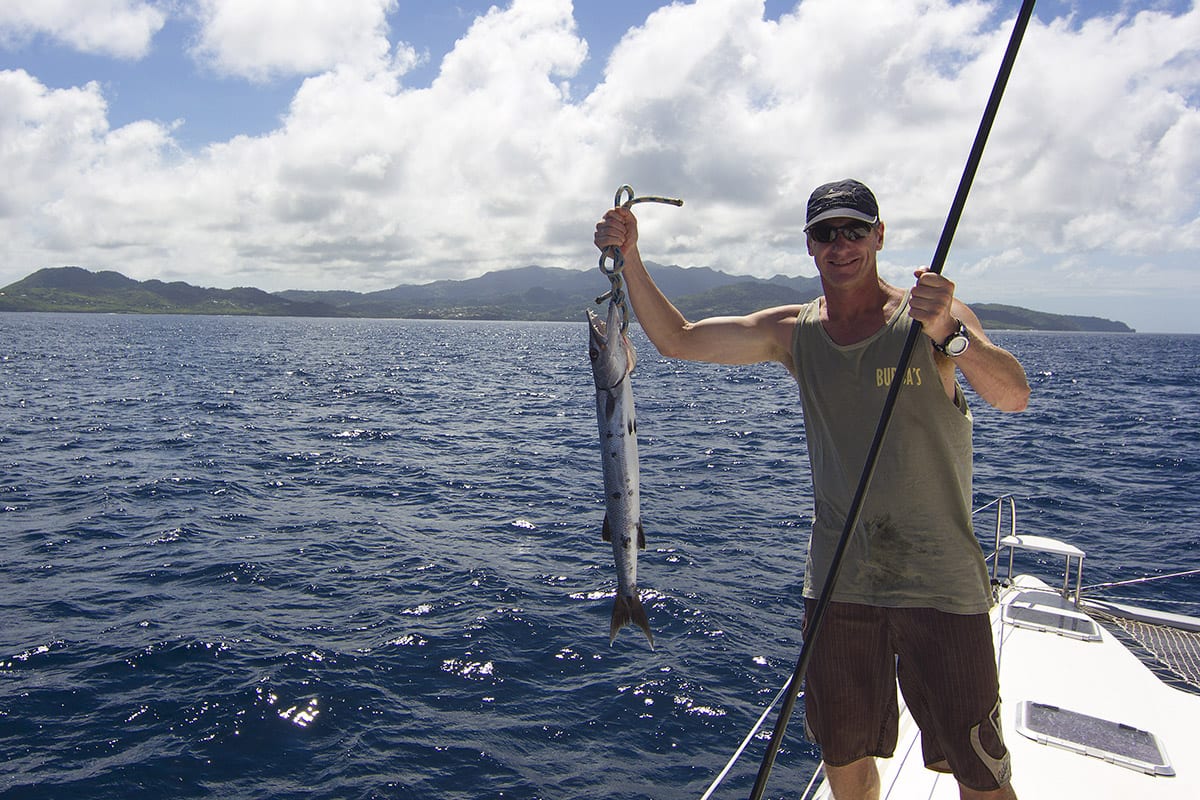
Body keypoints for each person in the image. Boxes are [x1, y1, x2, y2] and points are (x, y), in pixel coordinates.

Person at [593, 178, 1030, 800]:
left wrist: (952, 336)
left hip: (943, 586)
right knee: (845, 759)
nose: (841, 244)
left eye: (856, 229)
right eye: (826, 233)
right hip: (838, 584)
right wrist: (630, 256)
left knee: (977, 770)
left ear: (880, 236)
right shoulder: (793, 331)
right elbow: (678, 340)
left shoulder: (934, 318)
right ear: (809, 246)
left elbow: (1013, 395)